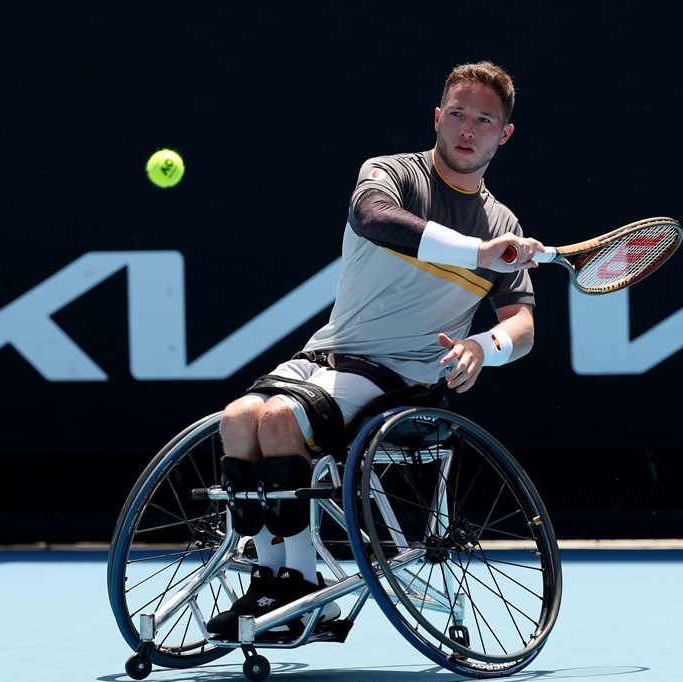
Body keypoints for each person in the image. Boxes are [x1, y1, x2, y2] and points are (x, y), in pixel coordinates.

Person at [205, 60, 546, 637]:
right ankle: (273, 579)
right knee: (238, 419)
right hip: (328, 355)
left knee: (282, 419)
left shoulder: (501, 220)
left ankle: (301, 586)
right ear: (438, 118)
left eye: (483, 120)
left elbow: (522, 325)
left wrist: (482, 347)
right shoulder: (390, 175)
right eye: (457, 114)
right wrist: (478, 253)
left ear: (503, 134)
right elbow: (375, 218)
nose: (467, 128)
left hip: (405, 376)